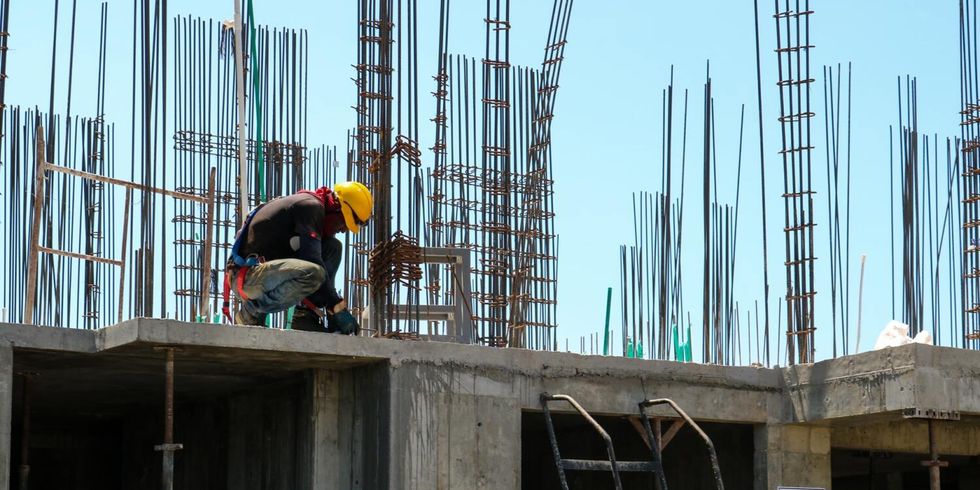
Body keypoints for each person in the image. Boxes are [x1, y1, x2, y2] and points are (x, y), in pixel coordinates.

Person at [222, 181, 372, 333]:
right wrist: (337, 306)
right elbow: (313, 260)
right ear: (337, 208)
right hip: (247, 276)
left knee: (333, 248)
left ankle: (305, 316)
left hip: (265, 274)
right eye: (344, 223)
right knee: (314, 273)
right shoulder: (310, 207)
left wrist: (332, 308)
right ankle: (251, 312)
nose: (344, 230)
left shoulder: (312, 208)